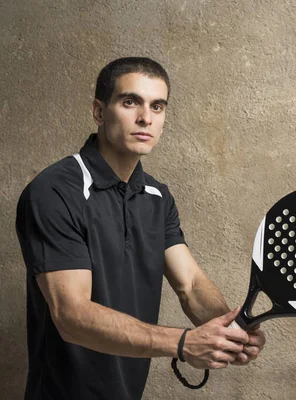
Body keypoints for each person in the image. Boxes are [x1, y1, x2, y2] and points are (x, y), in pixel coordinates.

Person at [15, 57, 266, 400]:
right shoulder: (55, 191)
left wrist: (230, 329)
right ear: (99, 112)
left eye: (157, 106)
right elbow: (71, 314)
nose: (146, 117)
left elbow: (190, 284)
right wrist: (182, 343)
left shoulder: (157, 197)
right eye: (130, 102)